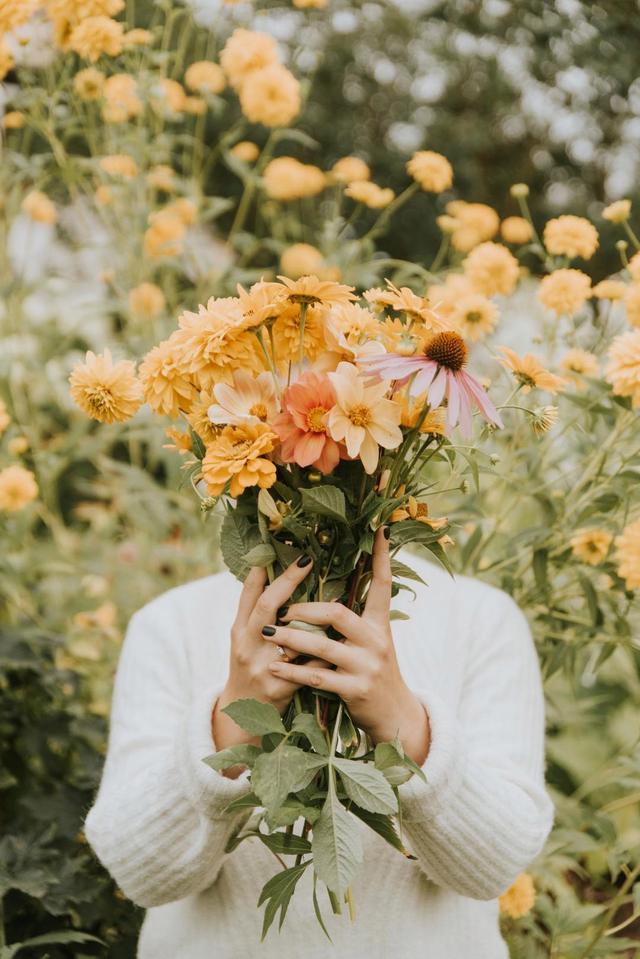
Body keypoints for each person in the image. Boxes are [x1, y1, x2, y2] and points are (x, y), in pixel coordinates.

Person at [85, 527, 554, 958]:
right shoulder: (170, 623)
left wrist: (403, 721)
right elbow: (137, 870)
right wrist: (234, 721)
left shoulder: (482, 618)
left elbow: (495, 867)